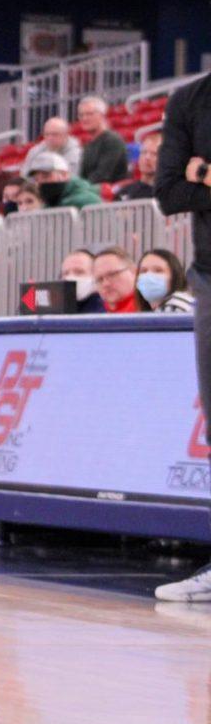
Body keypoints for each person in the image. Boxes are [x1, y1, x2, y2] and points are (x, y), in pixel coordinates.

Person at [153, 72, 211, 601]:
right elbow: (169, 192)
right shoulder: (190, 99)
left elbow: (190, 180)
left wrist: (207, 172)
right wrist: (193, 178)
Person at [77, 96, 129, 184]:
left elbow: (103, 176)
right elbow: (83, 176)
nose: (84, 118)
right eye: (81, 115)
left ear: (102, 115)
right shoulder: (88, 145)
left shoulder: (112, 141)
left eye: (89, 114)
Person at [27, 152, 101, 208]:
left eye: (46, 176)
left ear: (64, 175)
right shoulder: (49, 204)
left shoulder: (86, 200)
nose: (41, 182)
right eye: (36, 179)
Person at [93, 247, 150, 313]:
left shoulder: (149, 309)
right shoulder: (93, 315)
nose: (106, 284)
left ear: (134, 272)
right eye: (99, 279)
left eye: (112, 275)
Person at [136, 249, 194, 313]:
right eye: (143, 271)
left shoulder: (176, 306)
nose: (148, 276)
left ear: (175, 277)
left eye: (158, 270)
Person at [115, 132, 161, 200]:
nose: (147, 157)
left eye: (154, 154)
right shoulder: (125, 192)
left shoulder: (168, 193)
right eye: (144, 152)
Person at [60, 249, 105, 313]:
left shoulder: (106, 314)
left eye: (79, 272)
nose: (70, 278)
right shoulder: (56, 312)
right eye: (66, 273)